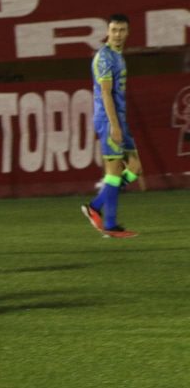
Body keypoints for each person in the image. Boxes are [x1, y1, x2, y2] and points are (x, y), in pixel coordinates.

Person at [82, 14, 141, 238]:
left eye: (122, 30)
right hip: (109, 121)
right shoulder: (104, 58)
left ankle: (96, 206)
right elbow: (106, 93)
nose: (117, 34)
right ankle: (109, 224)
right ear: (107, 31)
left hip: (118, 120)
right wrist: (115, 126)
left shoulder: (118, 56)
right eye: (114, 30)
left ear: (128, 32)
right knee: (114, 172)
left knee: (134, 169)